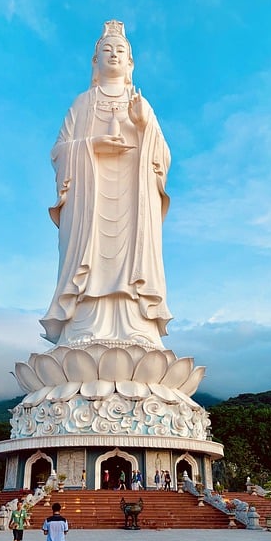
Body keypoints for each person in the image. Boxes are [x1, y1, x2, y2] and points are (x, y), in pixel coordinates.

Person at [40, 19, 172, 348]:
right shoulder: (82, 103)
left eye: (120, 51)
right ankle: (82, 328)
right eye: (106, 50)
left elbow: (163, 157)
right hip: (91, 200)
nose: (113, 55)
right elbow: (59, 152)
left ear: (130, 63)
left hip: (133, 201)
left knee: (133, 262)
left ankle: (137, 328)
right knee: (92, 258)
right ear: (95, 61)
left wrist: (145, 127)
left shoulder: (142, 105)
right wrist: (92, 146)